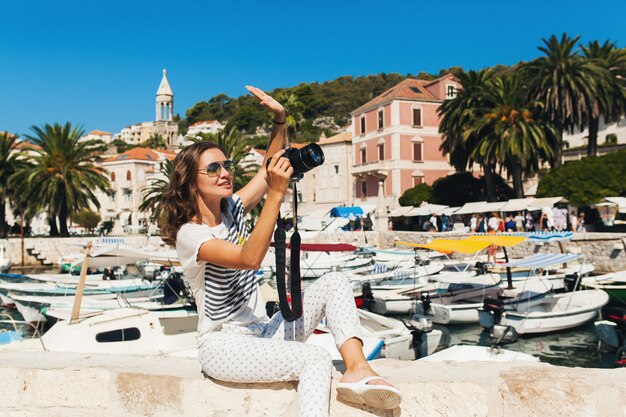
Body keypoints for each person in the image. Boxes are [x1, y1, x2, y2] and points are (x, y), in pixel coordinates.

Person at [160, 86, 400, 416]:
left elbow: (268, 169)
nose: (226, 172)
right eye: (213, 168)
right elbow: (249, 259)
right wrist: (275, 195)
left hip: (262, 332)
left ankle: (358, 369)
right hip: (222, 344)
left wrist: (279, 119)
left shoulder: (232, 209)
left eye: (227, 165)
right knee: (314, 356)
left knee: (334, 282)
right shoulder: (191, 234)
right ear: (190, 180)